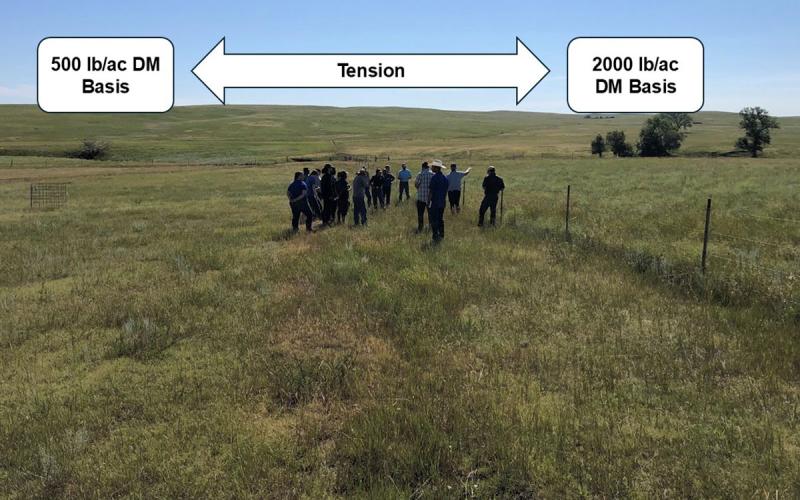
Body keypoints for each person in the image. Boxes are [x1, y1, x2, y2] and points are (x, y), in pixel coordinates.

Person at [428, 160, 449, 242]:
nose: (431, 168)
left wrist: (428, 201)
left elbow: (431, 191)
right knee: (440, 218)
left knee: (434, 219)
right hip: (442, 202)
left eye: (433, 166)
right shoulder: (445, 178)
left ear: (436, 168)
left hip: (435, 202)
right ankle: (442, 234)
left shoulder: (434, 177)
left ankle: (435, 235)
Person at [414, 161, 432, 232]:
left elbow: (416, 185)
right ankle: (430, 227)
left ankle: (420, 227)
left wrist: (419, 187)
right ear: (428, 167)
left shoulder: (420, 174)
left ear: (422, 167)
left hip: (421, 198)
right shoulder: (432, 174)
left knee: (420, 214)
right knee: (430, 214)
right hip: (430, 198)